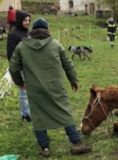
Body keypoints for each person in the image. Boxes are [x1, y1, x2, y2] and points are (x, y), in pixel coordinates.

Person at [9, 17, 92, 157]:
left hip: (35, 90)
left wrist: (20, 83)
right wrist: (74, 81)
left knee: (38, 117)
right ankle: (76, 143)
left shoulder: (22, 46)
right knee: (64, 113)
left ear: (33, 30)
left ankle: (45, 148)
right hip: (56, 88)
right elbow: (68, 64)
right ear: (47, 30)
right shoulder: (56, 44)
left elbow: (13, 68)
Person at [6, 10, 31, 122]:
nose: (27, 22)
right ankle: (25, 114)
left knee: (31, 90)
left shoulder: (28, 32)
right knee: (23, 91)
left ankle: (31, 111)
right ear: (20, 20)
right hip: (20, 67)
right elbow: (10, 53)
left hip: (30, 66)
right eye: (25, 20)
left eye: (29, 20)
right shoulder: (14, 34)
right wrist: (15, 68)